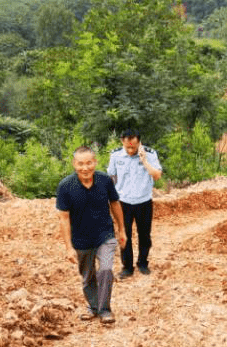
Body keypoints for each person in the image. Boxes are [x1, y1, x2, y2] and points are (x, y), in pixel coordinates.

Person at [56, 146, 127, 324]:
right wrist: (68, 248)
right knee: (88, 277)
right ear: (74, 164)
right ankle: (94, 306)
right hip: (81, 239)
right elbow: (63, 219)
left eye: (89, 163)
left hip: (105, 235)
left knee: (105, 270)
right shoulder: (65, 186)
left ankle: (104, 310)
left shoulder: (104, 181)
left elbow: (115, 204)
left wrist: (122, 229)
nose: (85, 168)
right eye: (80, 164)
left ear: (95, 162)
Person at [107, 128, 163, 278]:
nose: (130, 149)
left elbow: (157, 175)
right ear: (122, 142)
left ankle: (143, 263)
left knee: (144, 235)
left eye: (133, 146)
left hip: (143, 201)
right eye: (127, 146)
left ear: (139, 142)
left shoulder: (150, 154)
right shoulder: (115, 155)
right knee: (124, 235)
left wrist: (144, 161)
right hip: (123, 202)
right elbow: (111, 177)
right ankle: (127, 267)